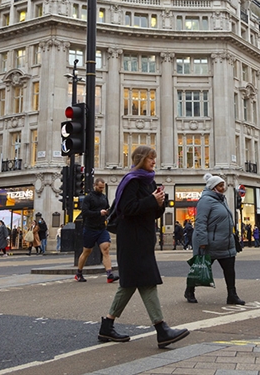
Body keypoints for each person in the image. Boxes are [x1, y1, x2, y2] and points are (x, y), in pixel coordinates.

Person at [97, 146, 189, 348]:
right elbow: (127, 209)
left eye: (154, 159)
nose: (154, 162)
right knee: (147, 281)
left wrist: (160, 202)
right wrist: (151, 200)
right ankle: (161, 328)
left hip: (143, 239)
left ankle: (107, 326)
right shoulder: (132, 181)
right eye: (150, 159)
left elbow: (151, 213)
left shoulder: (148, 180)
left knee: (129, 283)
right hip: (132, 240)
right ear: (140, 160)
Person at [185, 173, 245, 306]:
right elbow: (200, 222)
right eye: (220, 185)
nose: (223, 187)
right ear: (213, 187)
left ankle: (232, 295)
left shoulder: (222, 199)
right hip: (210, 244)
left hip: (226, 243)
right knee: (200, 269)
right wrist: (202, 242)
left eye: (223, 185)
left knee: (230, 271)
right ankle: (189, 291)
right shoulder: (205, 201)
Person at [76, 178, 118, 283]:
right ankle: (79, 273)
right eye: (100, 187)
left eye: (103, 188)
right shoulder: (88, 198)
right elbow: (85, 212)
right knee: (87, 251)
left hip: (101, 228)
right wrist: (99, 213)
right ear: (95, 185)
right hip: (90, 228)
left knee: (106, 249)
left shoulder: (104, 197)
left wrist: (109, 212)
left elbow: (107, 209)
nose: (101, 189)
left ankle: (109, 275)